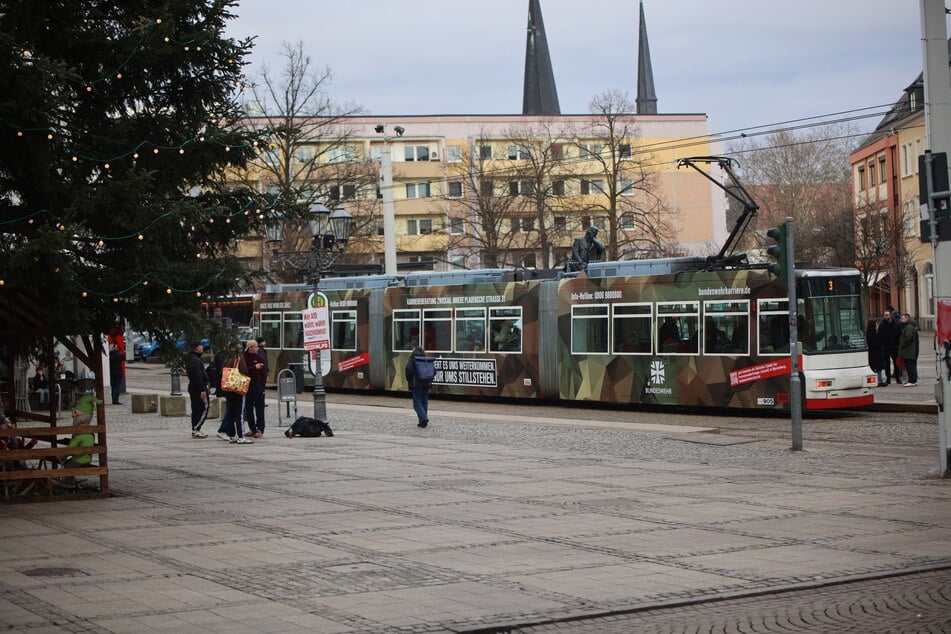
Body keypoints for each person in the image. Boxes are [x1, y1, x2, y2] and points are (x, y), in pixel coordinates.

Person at [216, 343, 253, 444]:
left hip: (229, 389)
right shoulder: (239, 360)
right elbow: (244, 372)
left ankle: (232, 435)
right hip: (237, 389)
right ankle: (241, 436)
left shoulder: (227, 360)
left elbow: (221, 372)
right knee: (239, 413)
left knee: (231, 412)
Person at [63, 394, 101, 470]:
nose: (73, 416)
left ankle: (69, 481)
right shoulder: (90, 433)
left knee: (67, 465)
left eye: (76, 413)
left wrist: (60, 456)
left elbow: (70, 448)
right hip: (86, 459)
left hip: (79, 460)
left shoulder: (80, 434)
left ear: (84, 417)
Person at [243, 339, 268, 438]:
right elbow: (243, 371)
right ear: (250, 348)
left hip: (258, 386)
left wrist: (262, 386)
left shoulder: (259, 358)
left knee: (259, 408)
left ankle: (260, 429)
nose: (257, 348)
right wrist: (254, 367)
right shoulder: (244, 358)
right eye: (256, 347)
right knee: (248, 408)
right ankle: (252, 428)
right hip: (247, 385)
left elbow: (264, 373)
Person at [405, 346, 434, 428]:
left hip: (416, 384)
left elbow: (408, 370)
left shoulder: (413, 359)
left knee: (417, 403)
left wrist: (409, 380)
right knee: (424, 401)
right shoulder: (426, 359)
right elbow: (433, 371)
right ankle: (422, 421)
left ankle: (424, 418)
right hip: (427, 383)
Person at [185, 340, 209, 438]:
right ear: (196, 347)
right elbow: (197, 376)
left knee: (196, 409)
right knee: (203, 408)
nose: (202, 347)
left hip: (194, 387)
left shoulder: (192, 358)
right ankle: (196, 428)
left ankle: (196, 429)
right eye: (200, 346)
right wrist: (202, 390)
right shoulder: (195, 360)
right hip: (198, 387)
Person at [878, 308, 901, 386]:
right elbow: (880, 336)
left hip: (895, 346)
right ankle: (888, 378)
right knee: (886, 363)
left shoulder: (897, 324)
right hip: (886, 347)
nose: (885, 316)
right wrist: (882, 345)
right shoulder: (882, 325)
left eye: (887, 315)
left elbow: (899, 335)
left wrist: (898, 344)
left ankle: (897, 377)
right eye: (885, 315)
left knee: (896, 363)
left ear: (891, 316)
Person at [898, 313, 919, 387]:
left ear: (907, 319)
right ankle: (912, 380)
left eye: (903, 318)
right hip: (909, 350)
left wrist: (902, 345)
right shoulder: (907, 327)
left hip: (909, 351)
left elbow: (907, 338)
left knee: (910, 366)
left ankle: (912, 381)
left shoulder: (909, 327)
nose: (901, 320)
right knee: (910, 366)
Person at [865, 318, 885, 385]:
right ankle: (879, 380)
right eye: (876, 323)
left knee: (876, 367)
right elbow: (875, 343)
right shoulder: (872, 333)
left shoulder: (871, 332)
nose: (877, 325)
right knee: (877, 367)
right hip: (875, 352)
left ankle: (879, 380)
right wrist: (880, 346)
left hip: (874, 352)